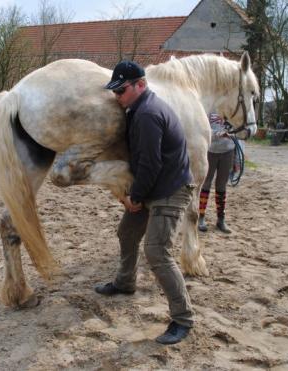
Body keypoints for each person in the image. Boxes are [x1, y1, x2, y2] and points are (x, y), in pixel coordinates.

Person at [95, 60, 195, 345]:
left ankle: (183, 319)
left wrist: (135, 198)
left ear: (141, 84)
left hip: (171, 190)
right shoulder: (137, 109)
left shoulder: (148, 114)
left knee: (157, 251)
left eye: (122, 90)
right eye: (114, 91)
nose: (117, 96)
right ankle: (125, 282)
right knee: (126, 232)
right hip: (153, 186)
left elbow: (150, 164)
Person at [198, 113, 234, 234]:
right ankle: (201, 217)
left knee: (221, 186)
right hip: (210, 151)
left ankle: (221, 219)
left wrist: (238, 160)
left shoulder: (230, 107)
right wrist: (217, 134)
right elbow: (203, 129)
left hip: (228, 151)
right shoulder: (210, 107)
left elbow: (237, 130)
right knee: (206, 184)